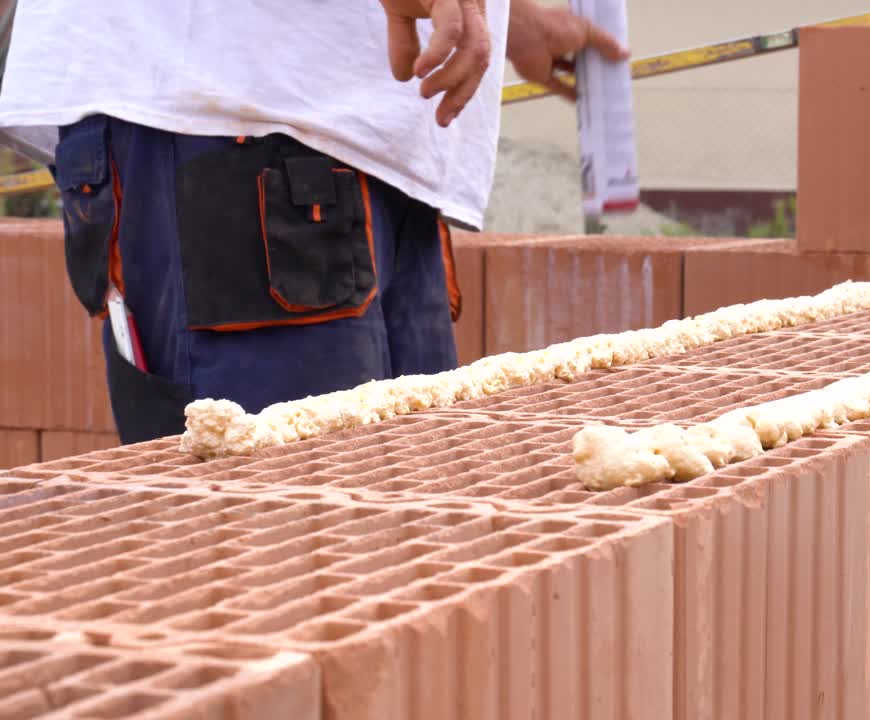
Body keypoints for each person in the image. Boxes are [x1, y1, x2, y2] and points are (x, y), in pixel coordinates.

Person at [0, 0, 627, 444]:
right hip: (225, 108)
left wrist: (506, 13)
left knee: (405, 507)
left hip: (368, 134)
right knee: (279, 530)